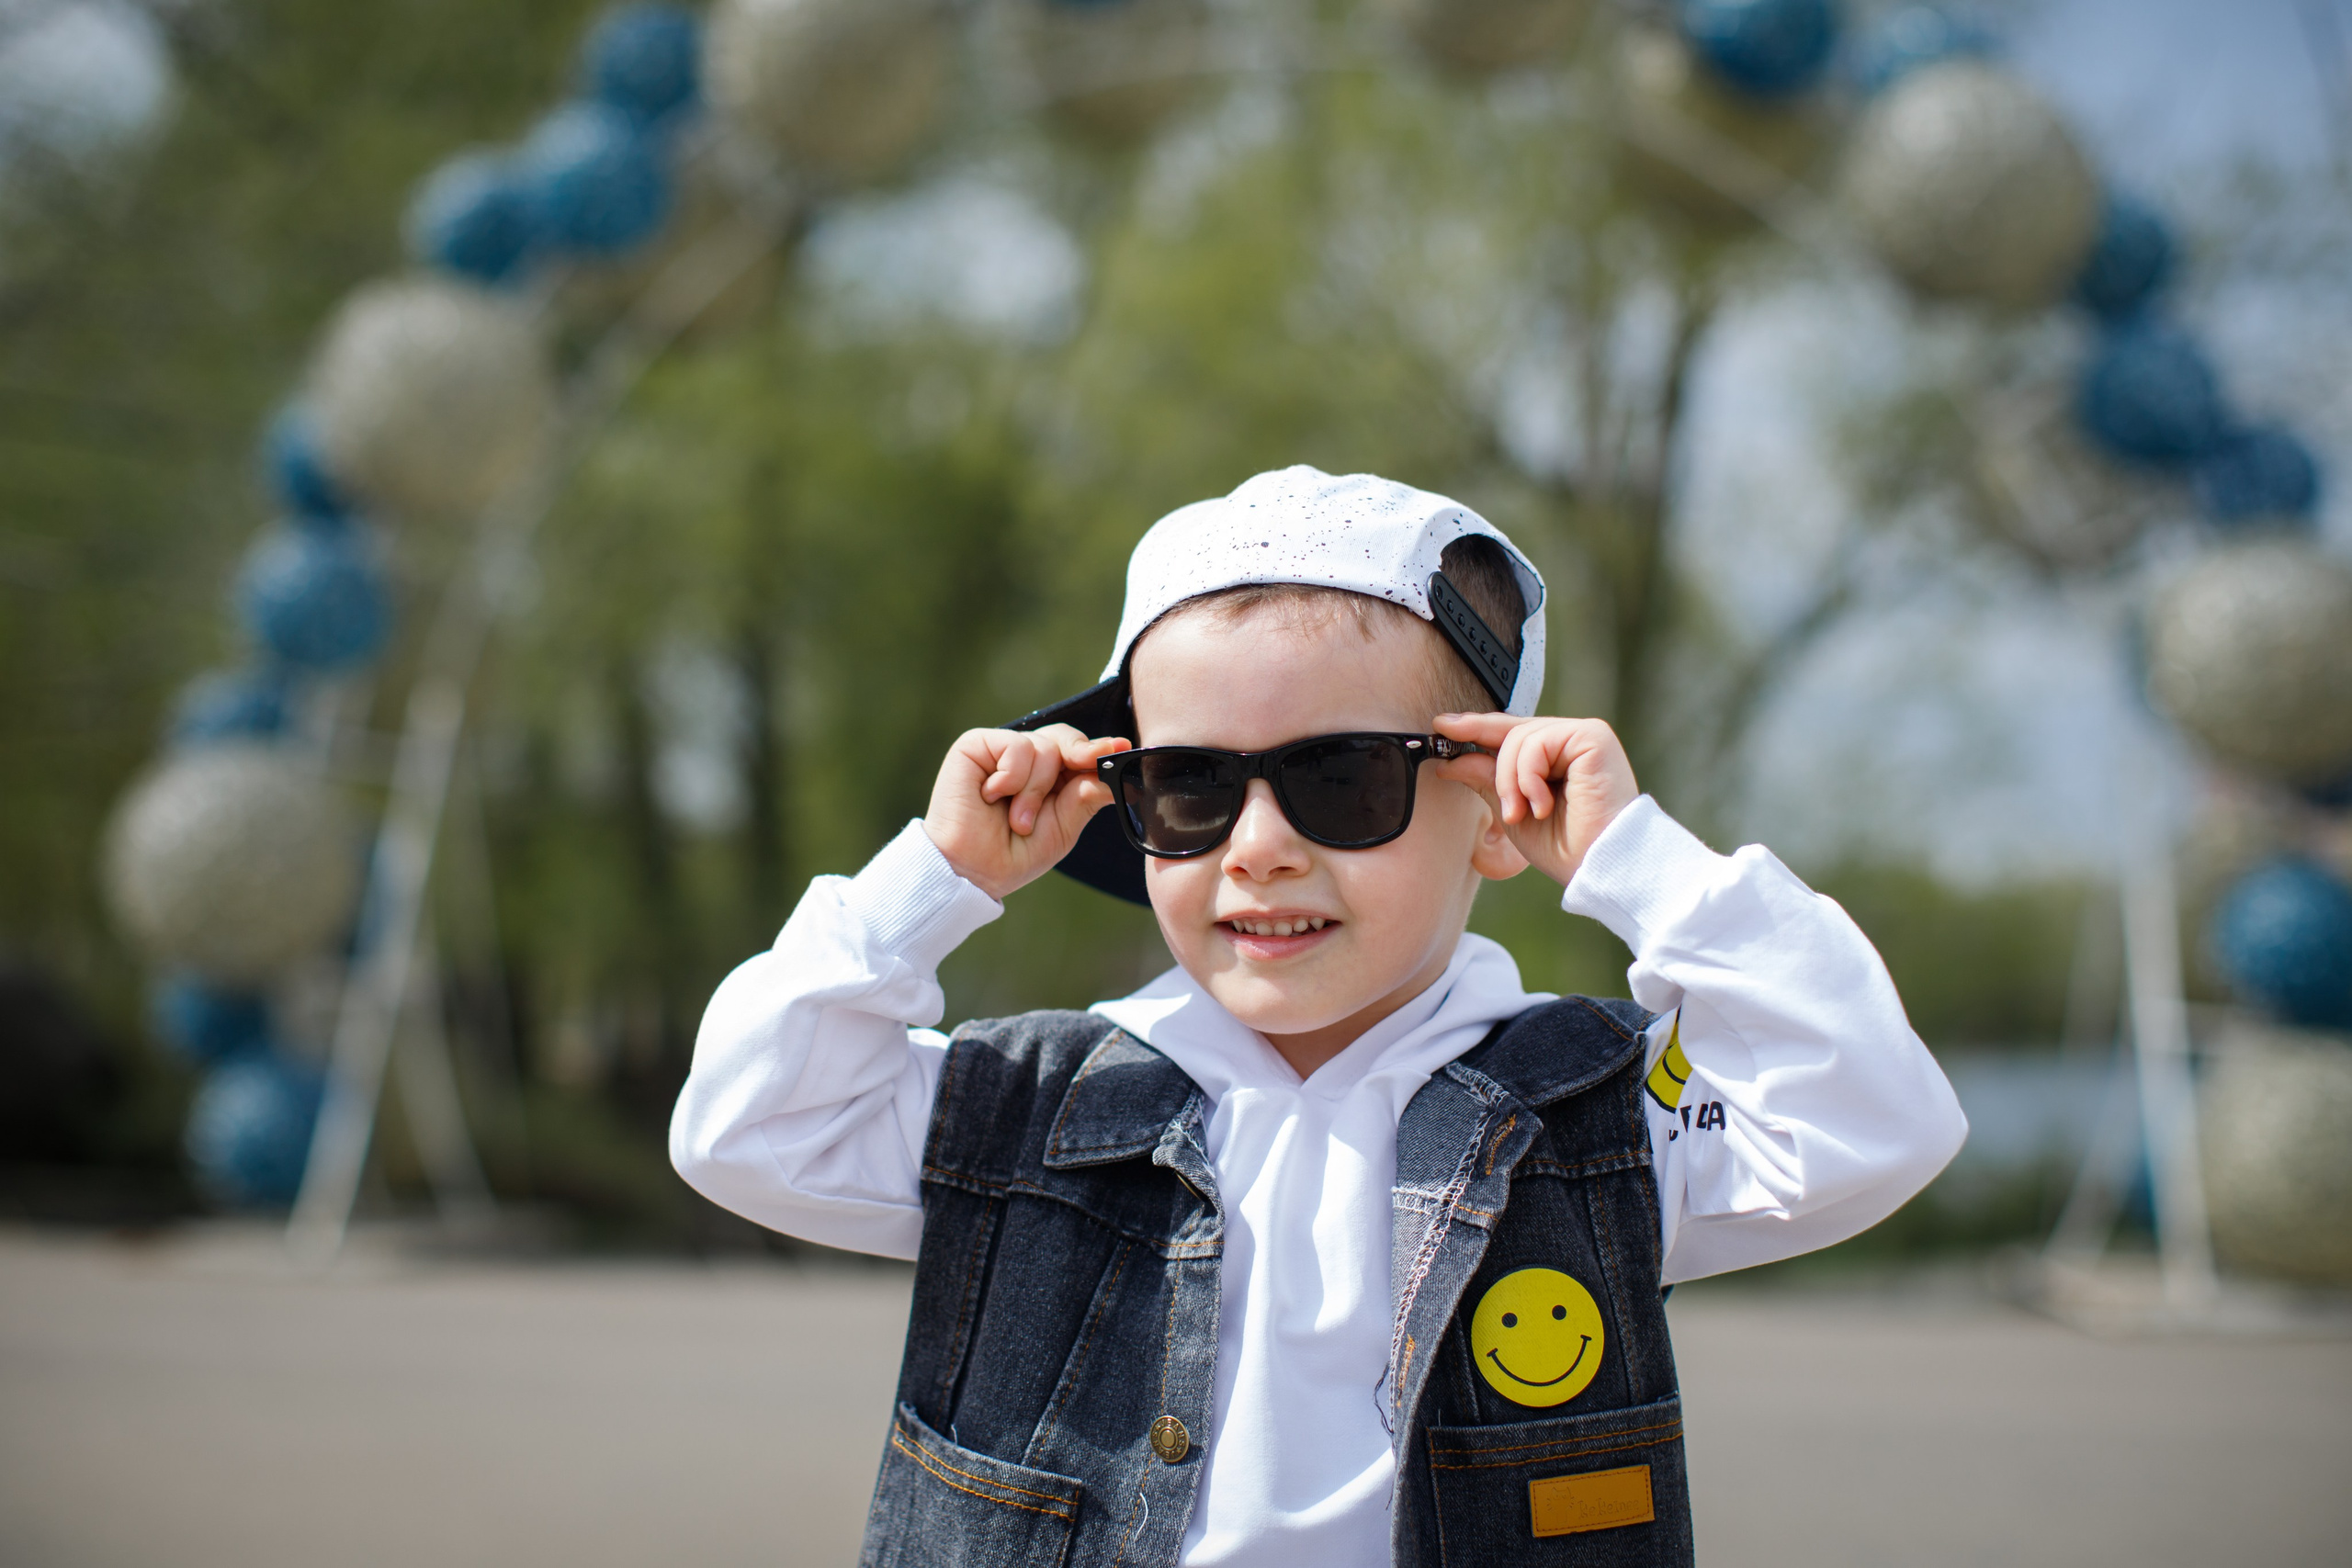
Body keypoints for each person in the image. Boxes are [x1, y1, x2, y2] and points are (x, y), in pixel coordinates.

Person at [672, 466, 1967, 1567]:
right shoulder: (1036, 1114)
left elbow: (1868, 1112)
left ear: (1498, 808)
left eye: (1338, 778)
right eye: (1191, 787)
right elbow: (745, 1122)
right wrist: (934, 880)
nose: (1261, 848)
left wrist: (1639, 860)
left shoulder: (1589, 1123)